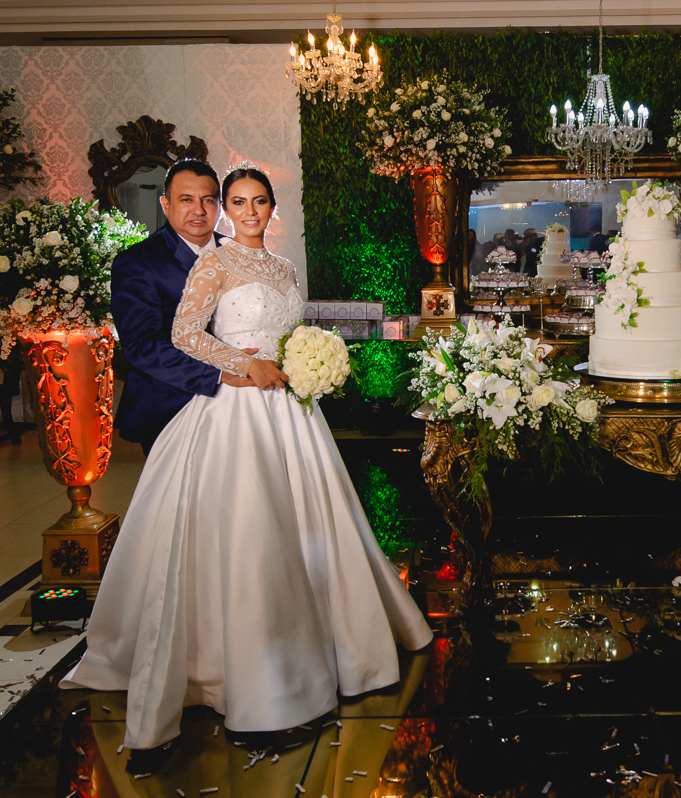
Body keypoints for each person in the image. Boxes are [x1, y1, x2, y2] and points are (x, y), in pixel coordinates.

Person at [61, 163, 434, 761]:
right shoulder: (196, 261)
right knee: (237, 532)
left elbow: (284, 330)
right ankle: (233, 667)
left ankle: (333, 643)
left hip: (288, 411)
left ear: (265, 207)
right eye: (229, 201)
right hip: (219, 406)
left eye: (249, 201)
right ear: (170, 205)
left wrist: (310, 359)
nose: (237, 211)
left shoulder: (282, 267)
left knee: (306, 526)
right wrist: (239, 368)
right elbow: (175, 336)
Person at [110, 160, 257, 456]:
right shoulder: (137, 262)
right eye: (186, 200)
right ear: (166, 205)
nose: (199, 210)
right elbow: (142, 345)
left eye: (208, 200)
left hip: (241, 400)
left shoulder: (239, 252)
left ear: (220, 205)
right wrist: (219, 374)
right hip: (170, 403)